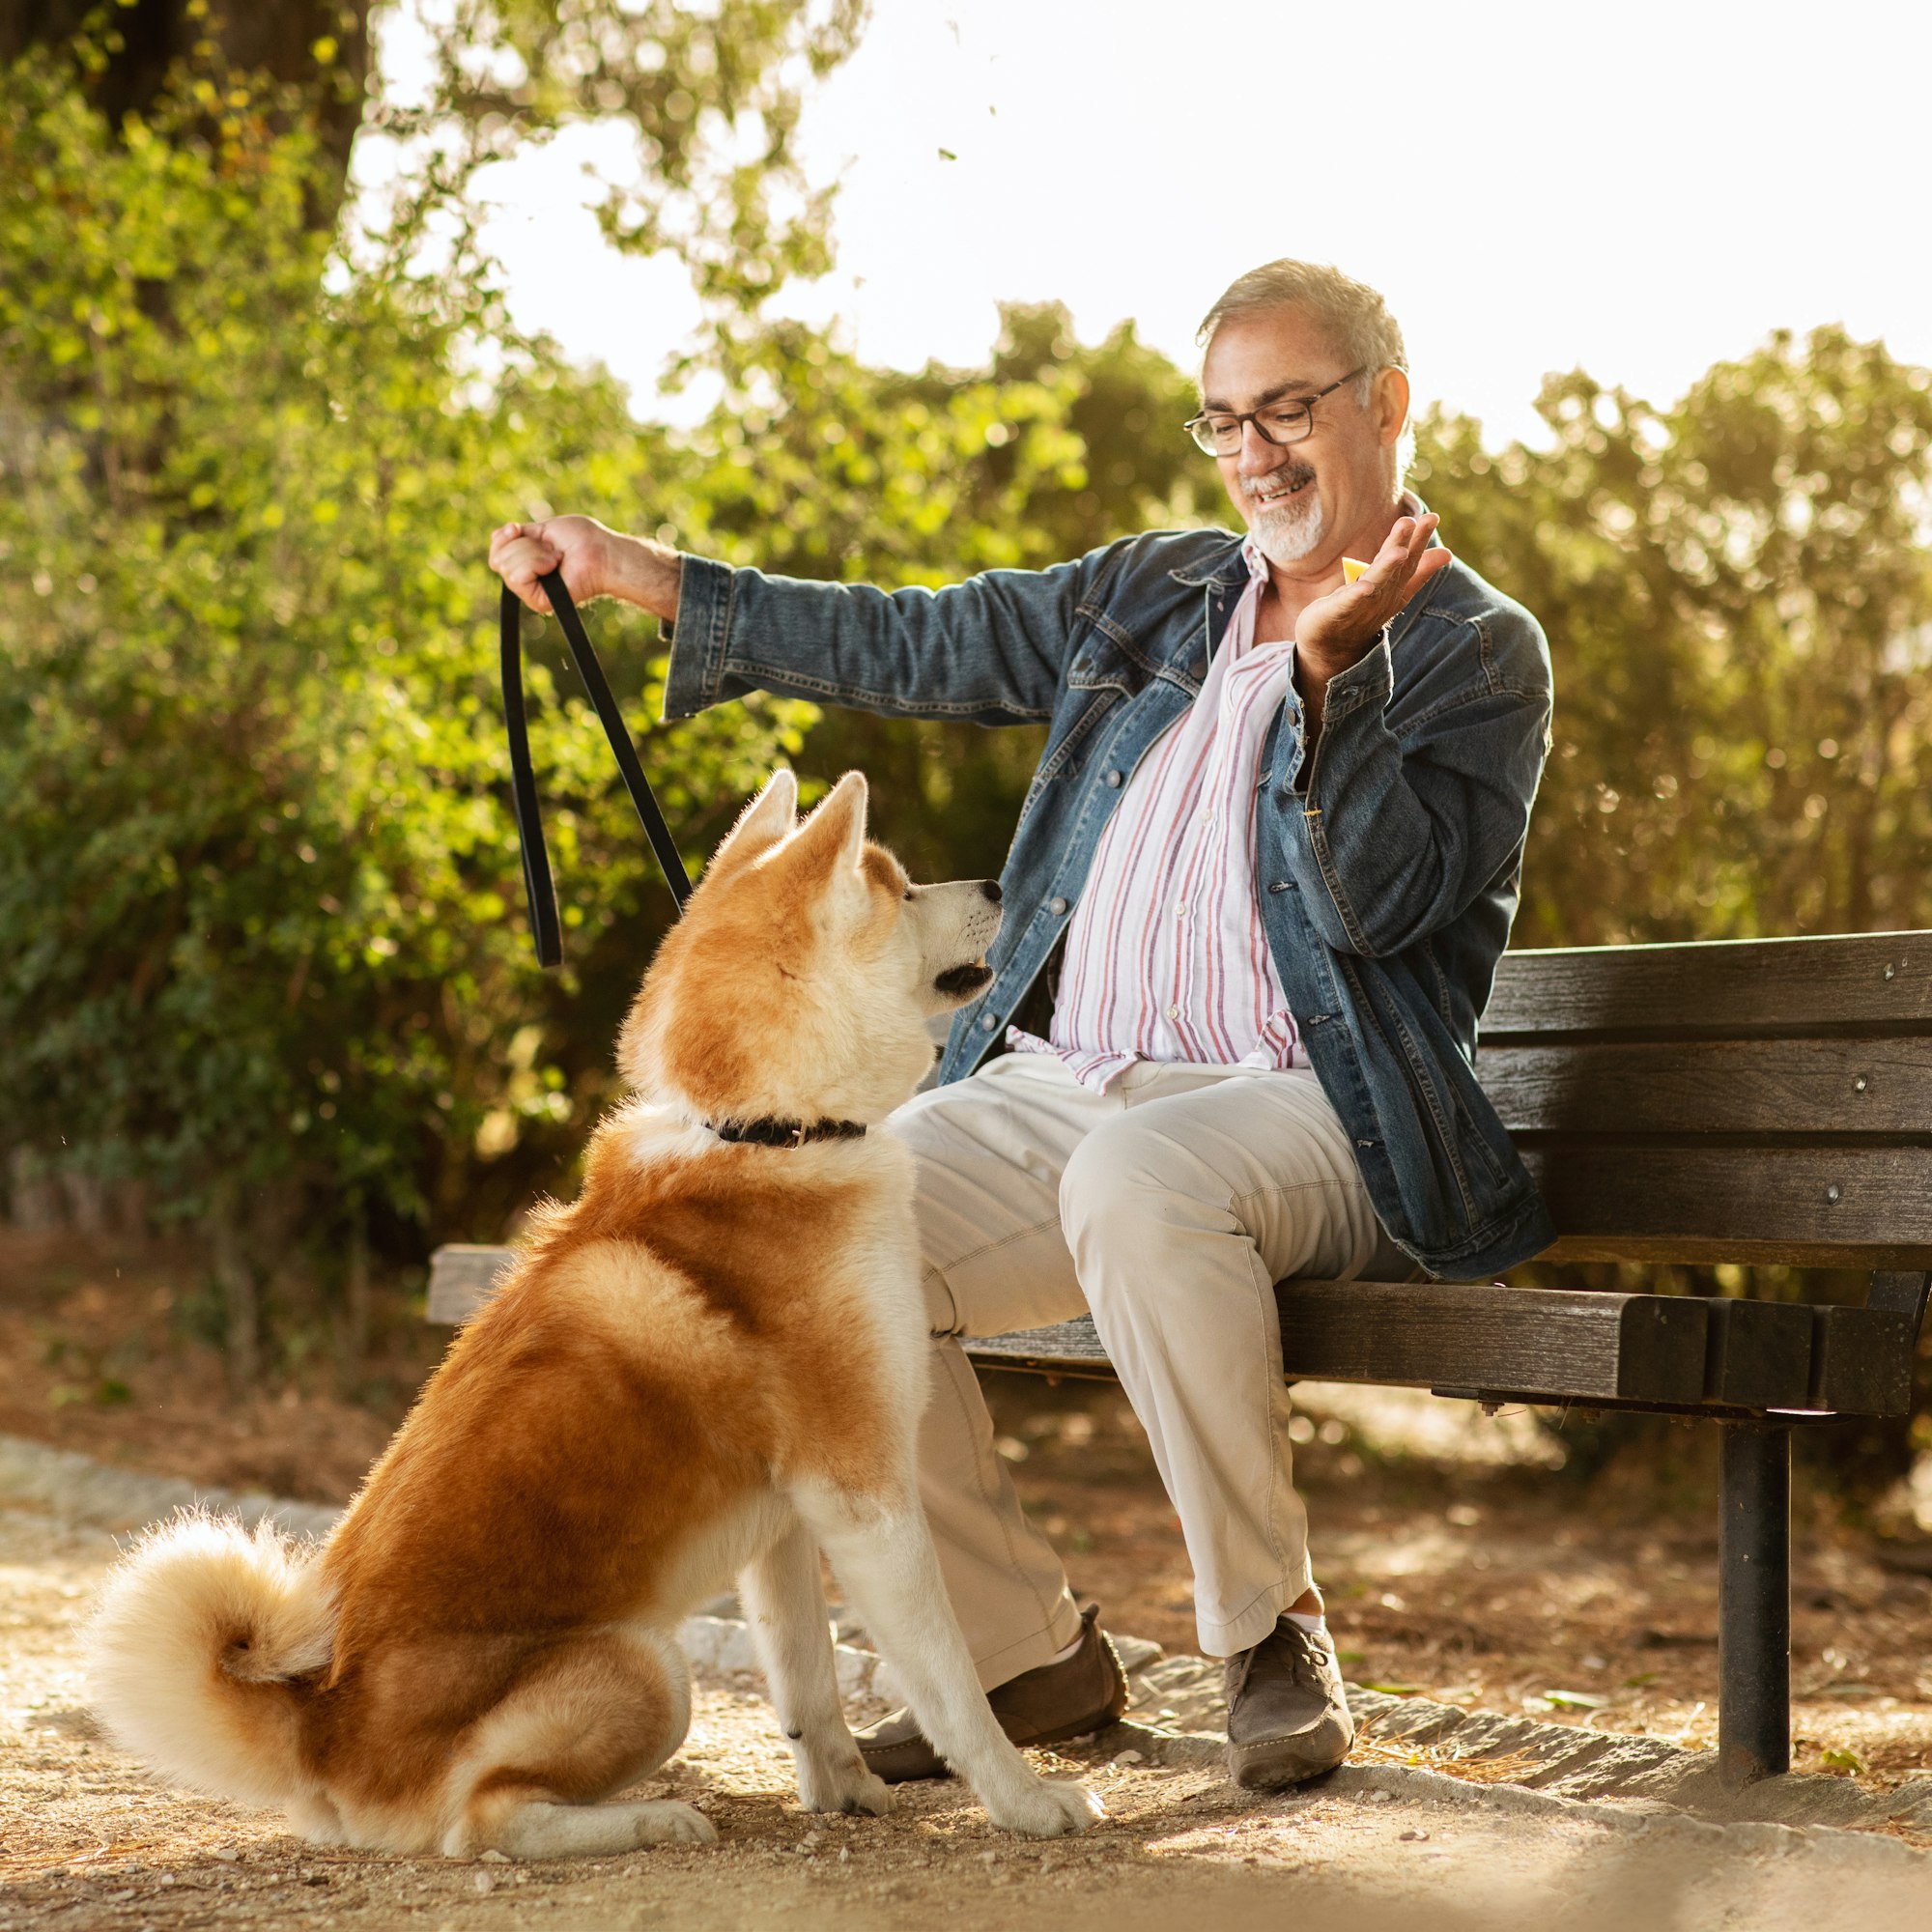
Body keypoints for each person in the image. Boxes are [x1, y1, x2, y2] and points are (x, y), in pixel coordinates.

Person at [490, 259, 1555, 1792]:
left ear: (1386, 404)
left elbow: (1380, 904)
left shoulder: (1474, 651)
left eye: (1289, 409)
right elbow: (916, 641)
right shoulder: (1154, 593)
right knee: (827, 1242)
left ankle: (1268, 1634)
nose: (1254, 450)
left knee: (1146, 1179)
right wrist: (640, 575)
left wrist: (1328, 685)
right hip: (1069, 1082)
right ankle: (1023, 1659)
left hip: (1314, 1110)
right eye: (1223, 420)